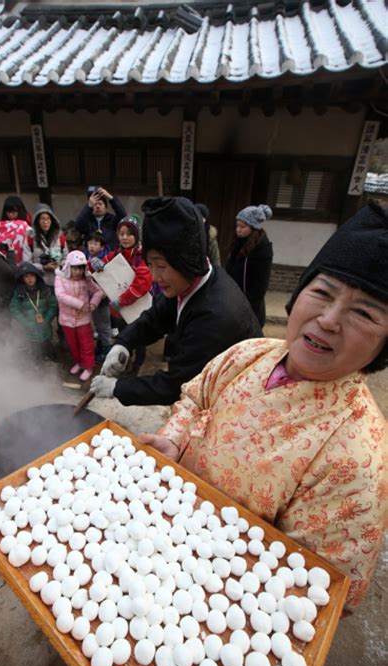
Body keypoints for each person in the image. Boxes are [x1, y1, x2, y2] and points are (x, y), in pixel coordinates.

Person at [140, 202, 388, 611]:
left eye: (363, 313)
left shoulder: (359, 458)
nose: (328, 319)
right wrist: (175, 439)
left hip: (226, 601)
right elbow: (196, 397)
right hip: (168, 538)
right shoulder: (251, 353)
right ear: (299, 294)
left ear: (383, 345)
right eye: (322, 292)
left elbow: (322, 591)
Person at [90, 197, 262, 406]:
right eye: (150, 265)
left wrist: (117, 388)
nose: (153, 276)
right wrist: (124, 343)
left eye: (161, 266)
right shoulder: (190, 282)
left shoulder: (215, 314)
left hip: (236, 401)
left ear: (186, 260)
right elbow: (156, 318)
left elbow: (177, 385)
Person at [90, 214, 152, 373]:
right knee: (124, 337)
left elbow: (142, 283)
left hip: (138, 308)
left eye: (129, 233)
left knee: (139, 340)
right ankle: (125, 362)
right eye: (121, 233)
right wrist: (95, 264)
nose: (125, 237)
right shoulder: (116, 253)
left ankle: (137, 366)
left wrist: (123, 300)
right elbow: (100, 271)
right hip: (121, 311)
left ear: (136, 235)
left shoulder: (142, 256)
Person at [55, 250, 103, 382]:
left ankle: (88, 367)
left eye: (81, 268)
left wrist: (93, 304)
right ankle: (79, 363)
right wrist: (81, 304)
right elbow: (60, 295)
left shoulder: (86, 280)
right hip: (66, 319)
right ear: (69, 267)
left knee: (86, 343)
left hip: (83, 319)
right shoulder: (60, 278)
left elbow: (99, 292)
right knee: (73, 344)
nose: (78, 272)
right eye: (75, 268)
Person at [225, 204, 274, 327]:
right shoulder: (237, 243)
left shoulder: (262, 249)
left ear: (253, 227)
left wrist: (244, 304)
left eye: (243, 226)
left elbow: (260, 287)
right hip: (232, 299)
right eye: (237, 226)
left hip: (249, 306)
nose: (238, 229)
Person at [10, 262, 58, 362]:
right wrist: (25, 322)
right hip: (29, 331)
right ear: (22, 279)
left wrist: (47, 319)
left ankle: (49, 361)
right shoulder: (19, 293)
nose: (30, 279)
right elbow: (14, 309)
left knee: (47, 348)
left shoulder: (45, 290)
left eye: (32, 276)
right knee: (34, 352)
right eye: (26, 276)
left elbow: (53, 305)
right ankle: (36, 364)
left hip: (45, 328)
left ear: (37, 276)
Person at [23, 204, 66, 288]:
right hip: (39, 282)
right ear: (37, 221)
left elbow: (66, 258)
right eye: (42, 219)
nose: (45, 222)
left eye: (48, 219)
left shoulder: (59, 237)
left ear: (52, 220)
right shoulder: (30, 238)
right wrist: (43, 267)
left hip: (59, 281)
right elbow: (26, 263)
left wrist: (60, 265)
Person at [86, 231, 112, 362]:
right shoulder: (88, 257)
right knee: (98, 324)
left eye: (95, 243)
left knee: (104, 326)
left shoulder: (105, 259)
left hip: (103, 297)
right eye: (90, 243)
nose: (91, 246)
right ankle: (101, 347)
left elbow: (107, 279)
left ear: (102, 247)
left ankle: (107, 352)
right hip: (93, 297)